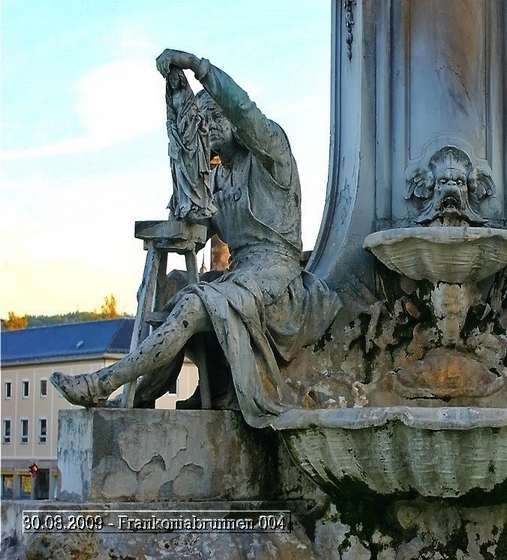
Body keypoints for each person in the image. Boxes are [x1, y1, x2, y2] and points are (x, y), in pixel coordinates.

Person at [51, 50, 341, 427]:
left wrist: (198, 68)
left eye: (216, 117)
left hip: (279, 286)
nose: (211, 127)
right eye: (205, 122)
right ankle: (147, 391)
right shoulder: (217, 181)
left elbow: (245, 110)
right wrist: (183, 199)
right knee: (172, 286)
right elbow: (196, 239)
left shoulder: (273, 157)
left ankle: (105, 384)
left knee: (193, 303)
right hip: (241, 278)